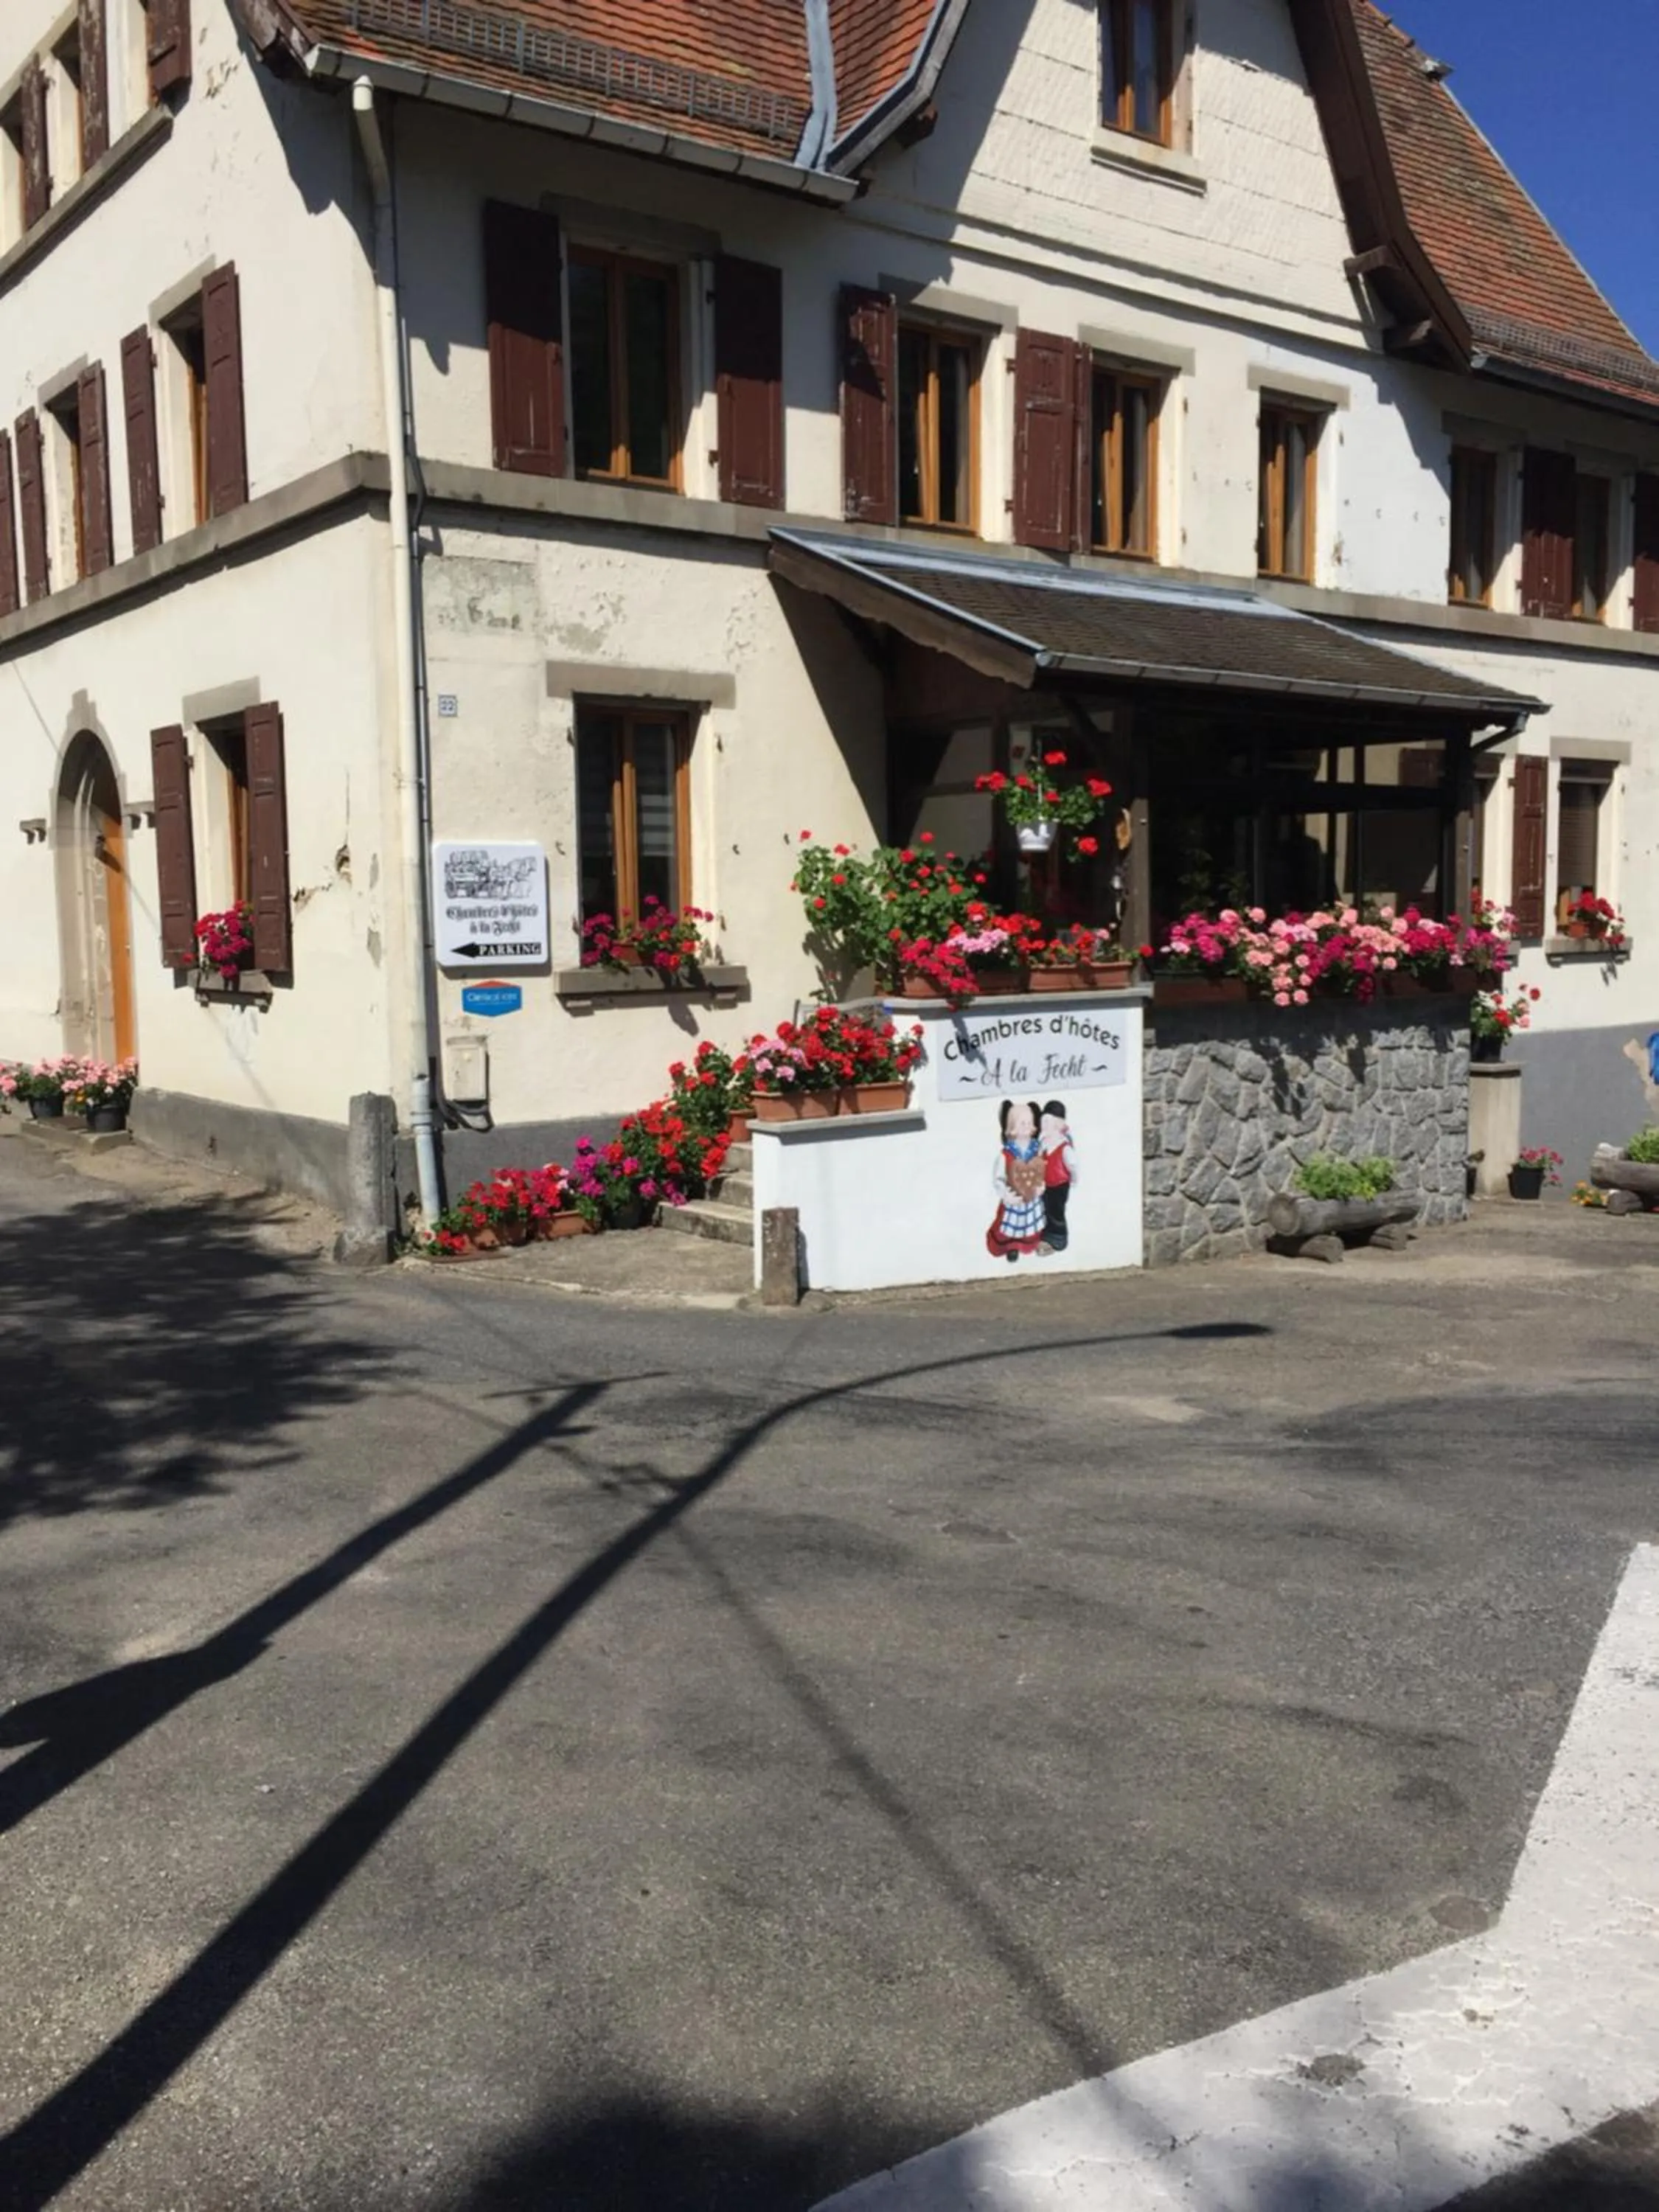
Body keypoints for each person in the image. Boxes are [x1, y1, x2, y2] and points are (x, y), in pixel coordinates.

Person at [987, 1099, 1047, 1260]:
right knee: (1012, 1225)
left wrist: (1041, 1185)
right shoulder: (1005, 1155)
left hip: (1032, 1196)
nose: (1026, 1126)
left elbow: (1041, 1169)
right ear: (1012, 1128)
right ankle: (1011, 1247)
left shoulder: (1037, 1149)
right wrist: (1006, 1195)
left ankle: (1030, 1244)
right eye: (1022, 1123)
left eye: (1029, 1123)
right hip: (1014, 1197)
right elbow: (998, 1179)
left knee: (1030, 1224)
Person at [1040, 1101, 1077, 1252]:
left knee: (1057, 1211)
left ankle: (1059, 1239)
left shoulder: (1064, 1147)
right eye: (1043, 1122)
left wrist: (1074, 1180)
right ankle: (1049, 1234)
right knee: (1047, 1209)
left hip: (1060, 1184)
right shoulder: (1044, 1143)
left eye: (1048, 1122)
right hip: (1047, 1184)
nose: (1044, 1126)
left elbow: (1073, 1165)